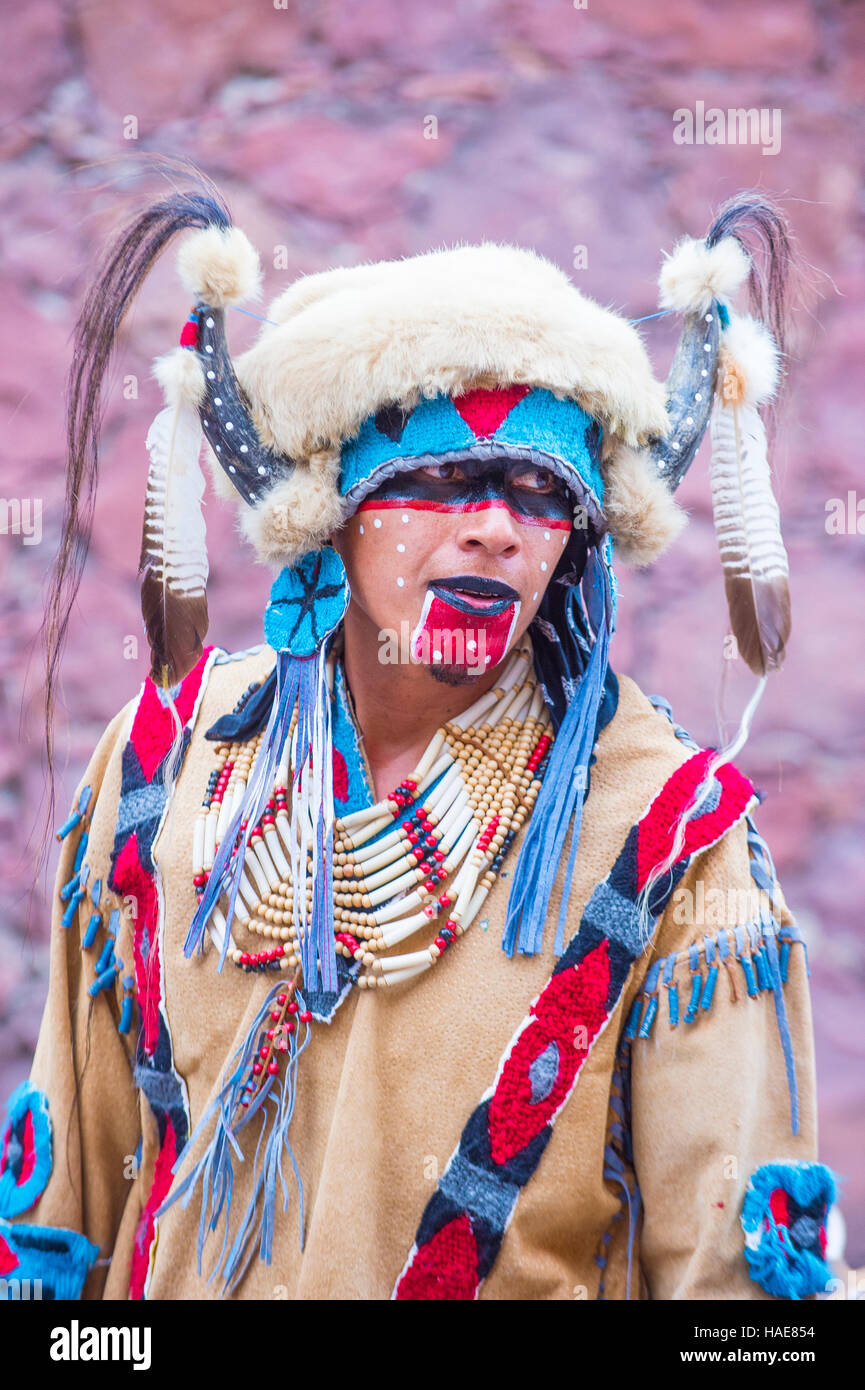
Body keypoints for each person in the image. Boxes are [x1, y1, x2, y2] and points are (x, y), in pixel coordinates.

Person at [0, 182, 838, 1301]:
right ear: (327, 513)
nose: (493, 525)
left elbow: (735, 1306)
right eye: (437, 477)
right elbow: (61, 1238)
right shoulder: (164, 765)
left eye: (540, 488)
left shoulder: (667, 835)